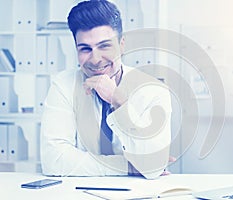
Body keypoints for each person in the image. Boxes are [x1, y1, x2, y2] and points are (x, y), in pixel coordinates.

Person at [40, 0, 172, 179]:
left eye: (105, 46)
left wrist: (119, 101)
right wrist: (127, 166)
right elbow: (54, 161)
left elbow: (152, 167)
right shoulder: (63, 85)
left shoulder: (153, 91)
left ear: (122, 44)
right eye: (85, 49)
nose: (95, 59)